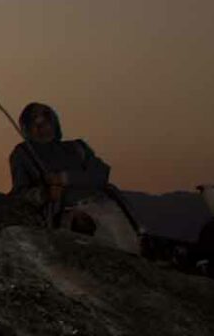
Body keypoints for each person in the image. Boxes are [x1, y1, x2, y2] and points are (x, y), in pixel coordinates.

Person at [8, 103, 138, 251]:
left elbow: (101, 174)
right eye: (34, 123)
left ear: (54, 123)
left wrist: (64, 178)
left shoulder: (78, 148)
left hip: (104, 207)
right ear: (27, 128)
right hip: (66, 213)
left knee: (128, 247)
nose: (41, 128)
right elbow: (19, 194)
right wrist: (44, 194)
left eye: (45, 121)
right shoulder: (23, 154)